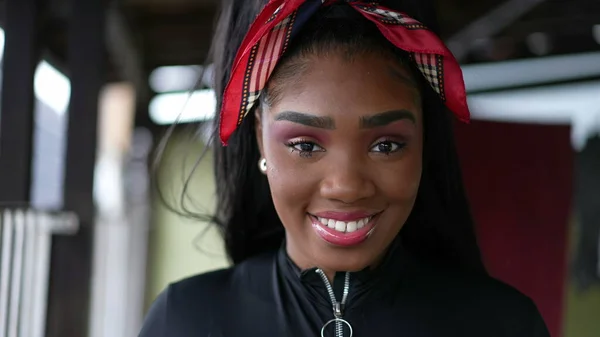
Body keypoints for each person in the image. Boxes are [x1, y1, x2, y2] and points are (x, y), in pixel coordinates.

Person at [140, 0, 551, 336]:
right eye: (305, 144)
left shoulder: (504, 324)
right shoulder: (186, 321)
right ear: (261, 135)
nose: (347, 186)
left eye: (386, 145)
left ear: (425, 141)